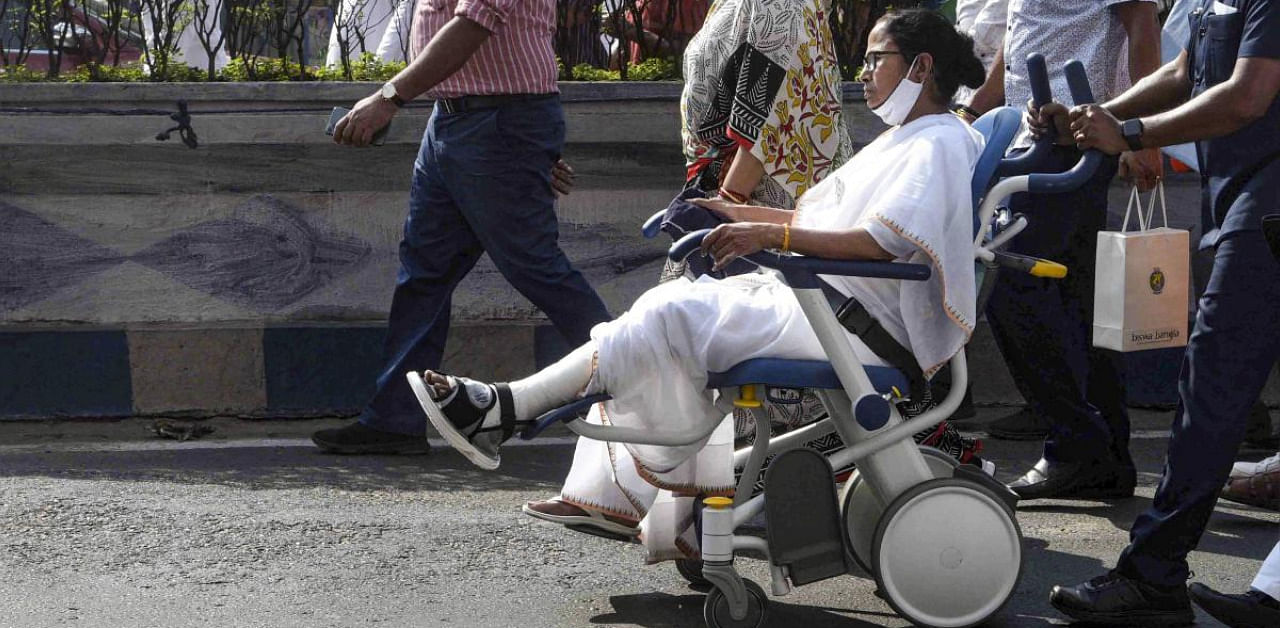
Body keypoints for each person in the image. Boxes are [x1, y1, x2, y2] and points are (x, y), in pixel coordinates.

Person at [410, 8, 987, 562]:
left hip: (846, 320)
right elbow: (824, 225)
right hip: (824, 305)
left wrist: (765, 232)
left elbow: (880, 243)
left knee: (667, 318)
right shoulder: (909, 139)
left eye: (875, 59)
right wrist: (731, 212)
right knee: (665, 312)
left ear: (921, 68)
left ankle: (504, 410)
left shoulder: (938, 141)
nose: (863, 73)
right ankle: (632, 497)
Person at [1041, 0, 1280, 623]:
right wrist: (1098, 116)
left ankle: (1152, 574)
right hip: (1241, 200)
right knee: (1214, 385)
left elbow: (1247, 96)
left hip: (1270, 211)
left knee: (1212, 387)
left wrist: (1135, 134)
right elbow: (1185, 70)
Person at [312, 0, 612, 455]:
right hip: (458, 118)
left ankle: (638, 384)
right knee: (424, 272)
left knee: (534, 266)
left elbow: (474, 22)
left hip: (498, 120)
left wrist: (389, 98)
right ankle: (395, 419)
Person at [963, 0, 1162, 498]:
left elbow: (1141, 25)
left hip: (1078, 133)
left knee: (1012, 283)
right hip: (1037, 134)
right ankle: (1102, 456)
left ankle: (1077, 445)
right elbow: (1021, 35)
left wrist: (1141, 135)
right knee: (1076, 299)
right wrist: (973, 110)